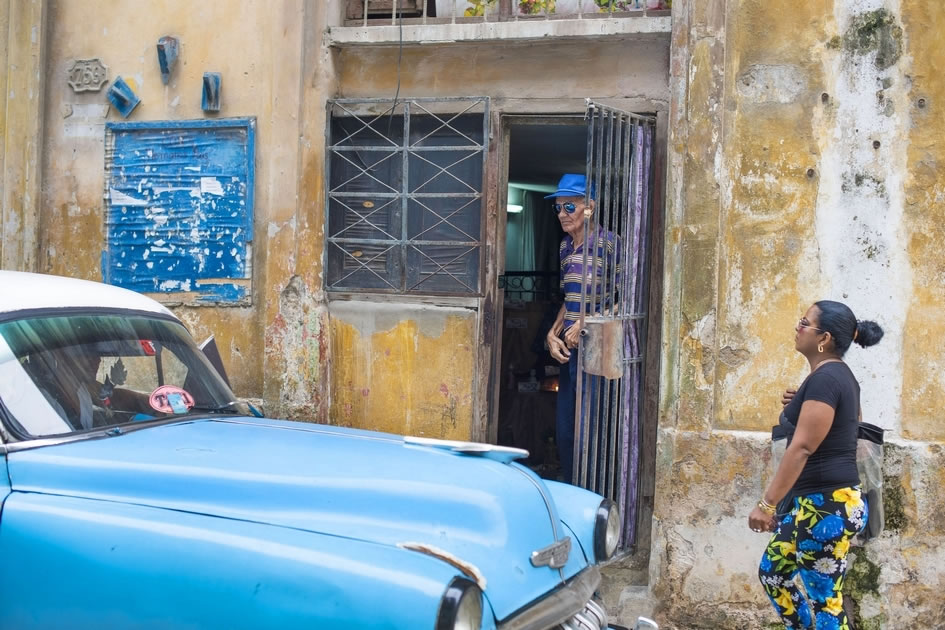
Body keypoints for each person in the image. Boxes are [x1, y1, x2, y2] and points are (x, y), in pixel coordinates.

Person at [750, 300, 884, 629]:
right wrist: (802, 401)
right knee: (773, 573)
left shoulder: (829, 378)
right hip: (813, 505)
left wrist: (767, 504)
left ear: (823, 338)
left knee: (826, 603)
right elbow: (850, 426)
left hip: (827, 507)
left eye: (804, 322)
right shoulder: (830, 377)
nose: (797, 327)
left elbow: (803, 448)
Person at [544, 173, 620, 484]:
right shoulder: (565, 248)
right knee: (567, 430)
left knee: (592, 431)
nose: (562, 214)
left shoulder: (610, 245)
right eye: (558, 208)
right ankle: (573, 488)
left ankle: (595, 493)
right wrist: (553, 331)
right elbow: (568, 298)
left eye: (569, 207)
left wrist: (586, 324)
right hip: (570, 352)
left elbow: (625, 298)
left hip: (597, 353)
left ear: (589, 208)